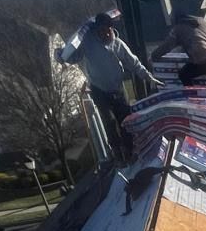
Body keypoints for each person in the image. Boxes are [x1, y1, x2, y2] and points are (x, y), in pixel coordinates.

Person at [64, 12, 155, 158]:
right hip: (98, 88)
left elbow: (133, 62)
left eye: (107, 31)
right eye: (101, 32)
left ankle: (130, 150)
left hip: (117, 88)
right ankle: (117, 151)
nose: (105, 35)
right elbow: (74, 56)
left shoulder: (117, 44)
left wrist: (147, 76)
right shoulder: (88, 42)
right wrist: (62, 55)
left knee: (125, 120)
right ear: (96, 31)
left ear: (111, 29)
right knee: (110, 121)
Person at [150, 8, 206, 131]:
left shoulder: (178, 28)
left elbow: (167, 46)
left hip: (201, 60)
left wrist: (154, 56)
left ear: (176, 20)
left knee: (184, 74)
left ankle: (195, 104)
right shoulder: (202, 21)